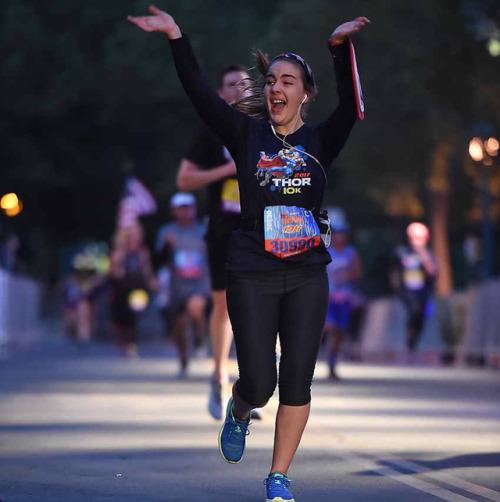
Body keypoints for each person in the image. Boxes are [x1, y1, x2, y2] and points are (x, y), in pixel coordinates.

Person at [128, 8, 369, 501]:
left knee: (298, 380)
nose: (277, 88)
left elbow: (353, 107)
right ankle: (240, 409)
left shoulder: (322, 139)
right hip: (251, 270)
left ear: (305, 93)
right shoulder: (246, 135)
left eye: (289, 81)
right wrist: (176, 35)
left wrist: (340, 51)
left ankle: (278, 478)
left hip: (306, 272)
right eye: (272, 80)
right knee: (260, 381)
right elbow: (198, 91)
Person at [176, 64, 250, 417]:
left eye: (245, 84)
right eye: (232, 85)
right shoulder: (211, 132)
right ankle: (219, 376)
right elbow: (184, 180)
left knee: (260, 306)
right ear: (222, 94)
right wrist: (227, 170)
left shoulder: (267, 129)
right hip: (223, 229)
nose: (239, 90)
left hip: (263, 229)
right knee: (224, 307)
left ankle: (250, 383)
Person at [155, 192, 211, 378]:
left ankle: (199, 339)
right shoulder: (167, 231)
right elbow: (159, 260)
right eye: (181, 208)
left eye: (188, 208)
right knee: (179, 324)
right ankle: (184, 360)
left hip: (200, 284)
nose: (185, 212)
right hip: (177, 285)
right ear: (174, 211)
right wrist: (167, 246)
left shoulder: (203, 230)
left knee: (195, 307)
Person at [109, 223, 156, 357]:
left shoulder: (143, 252)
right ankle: (123, 339)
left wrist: (152, 281)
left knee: (134, 313)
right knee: (121, 316)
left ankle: (132, 342)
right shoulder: (119, 252)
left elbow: (147, 270)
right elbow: (112, 271)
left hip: (137, 288)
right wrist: (118, 268)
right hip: (121, 288)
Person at [393, 222, 438, 358]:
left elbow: (433, 272)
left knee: (421, 317)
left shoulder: (428, 255)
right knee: (414, 311)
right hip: (407, 291)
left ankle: (413, 341)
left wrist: (423, 255)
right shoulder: (402, 252)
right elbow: (394, 271)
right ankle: (410, 341)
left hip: (422, 291)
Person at [324, 221, 362, 380]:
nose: (340, 237)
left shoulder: (351, 253)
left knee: (340, 332)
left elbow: (358, 273)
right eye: (337, 234)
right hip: (328, 297)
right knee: (329, 327)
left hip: (345, 297)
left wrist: (347, 276)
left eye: (343, 234)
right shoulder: (326, 251)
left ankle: (332, 361)